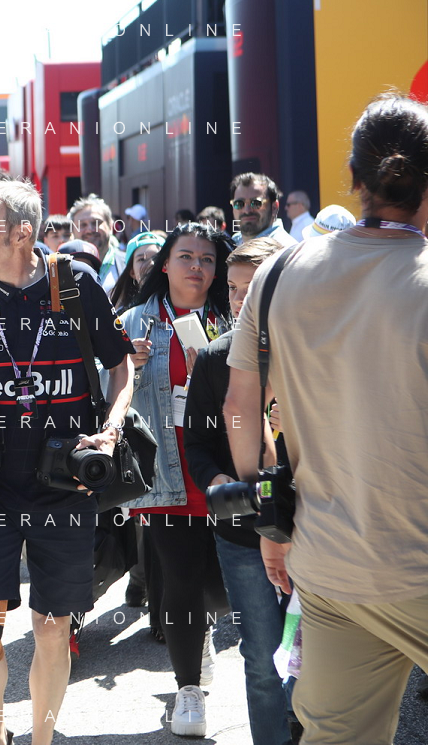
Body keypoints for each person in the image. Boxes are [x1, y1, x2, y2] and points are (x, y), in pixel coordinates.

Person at [225, 94, 428, 745]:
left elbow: (238, 408)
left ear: (352, 177)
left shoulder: (278, 272)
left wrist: (269, 521)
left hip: (329, 568)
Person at [0, 174, 135, 745]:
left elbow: (121, 367)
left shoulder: (75, 283)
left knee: (51, 628)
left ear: (22, 233)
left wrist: (111, 429)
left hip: (64, 480)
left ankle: (42, 739)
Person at [118, 222, 234, 738]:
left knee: (221, 584)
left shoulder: (233, 317)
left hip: (223, 469)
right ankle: (188, 689)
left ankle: (203, 629)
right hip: (165, 472)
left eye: (207, 259)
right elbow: (102, 387)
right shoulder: (134, 321)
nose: (196, 267)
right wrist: (126, 364)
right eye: (185, 256)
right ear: (164, 264)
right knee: (182, 579)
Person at [184, 236, 293, 745]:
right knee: (262, 655)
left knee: (317, 653)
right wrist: (217, 480)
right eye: (231, 288)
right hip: (242, 530)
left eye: (253, 288)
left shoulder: (313, 350)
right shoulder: (213, 359)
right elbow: (197, 444)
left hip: (315, 528)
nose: (239, 299)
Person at [67, 194, 125, 294]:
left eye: (96, 223)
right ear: (72, 231)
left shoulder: (128, 264)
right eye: (83, 225)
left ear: (110, 226)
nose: (90, 230)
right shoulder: (63, 268)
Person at [230, 173, 298, 247]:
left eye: (256, 203)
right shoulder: (232, 243)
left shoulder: (286, 249)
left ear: (274, 207)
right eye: (239, 203)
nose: (247, 211)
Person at [109, 231, 166, 311]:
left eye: (156, 258)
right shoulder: (125, 315)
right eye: (141, 259)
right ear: (132, 272)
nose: (151, 263)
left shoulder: (181, 303)